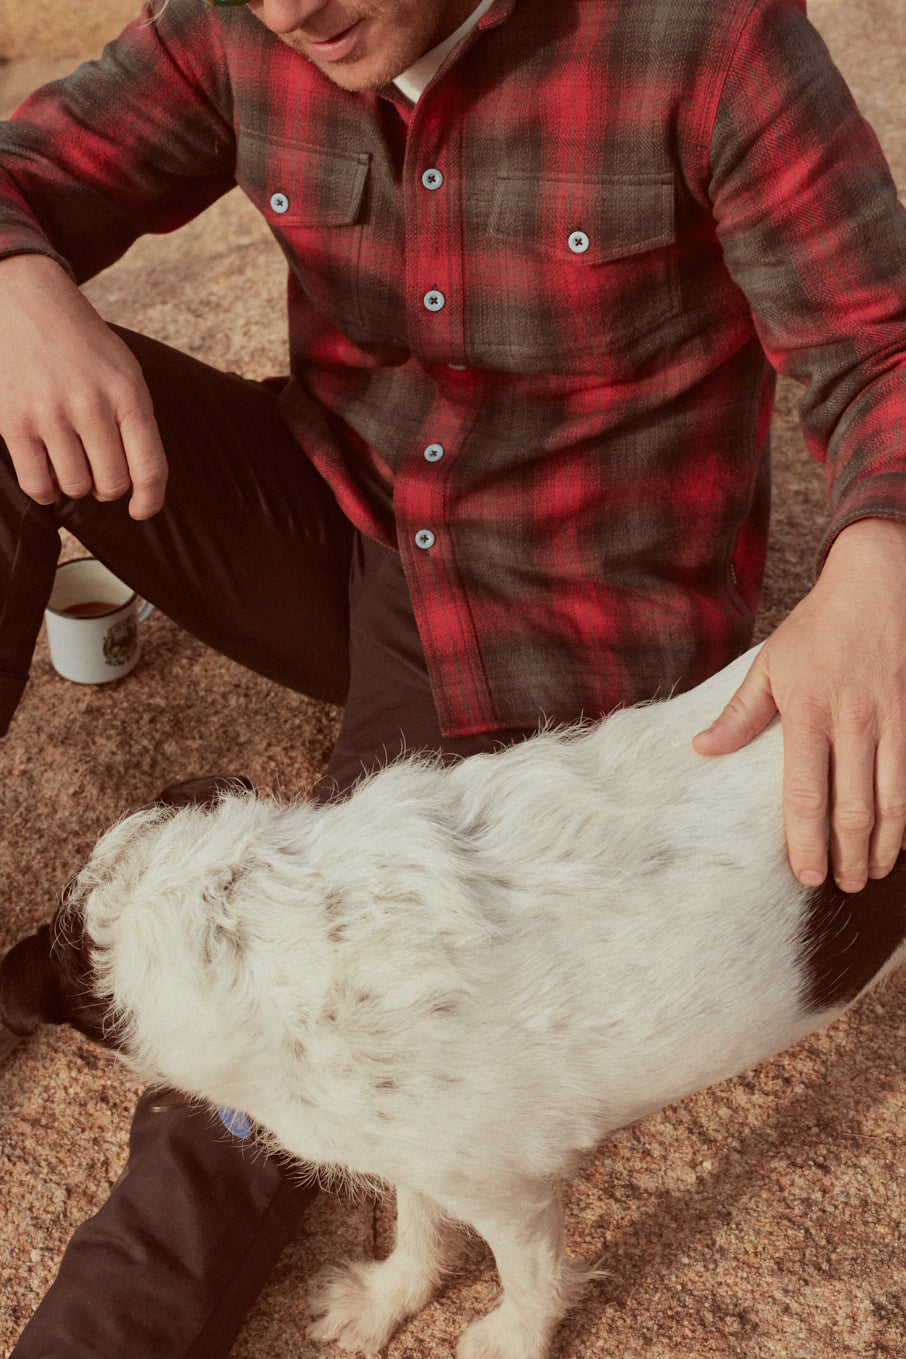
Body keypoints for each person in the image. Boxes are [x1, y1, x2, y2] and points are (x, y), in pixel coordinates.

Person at [1, 0, 905, 1352]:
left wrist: (884, 556)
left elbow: (879, 345)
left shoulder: (706, 37)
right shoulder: (241, 20)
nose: (293, 7)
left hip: (556, 604)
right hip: (335, 506)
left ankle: (100, 1337)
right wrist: (14, 278)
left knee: (312, 1017)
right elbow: (29, 173)